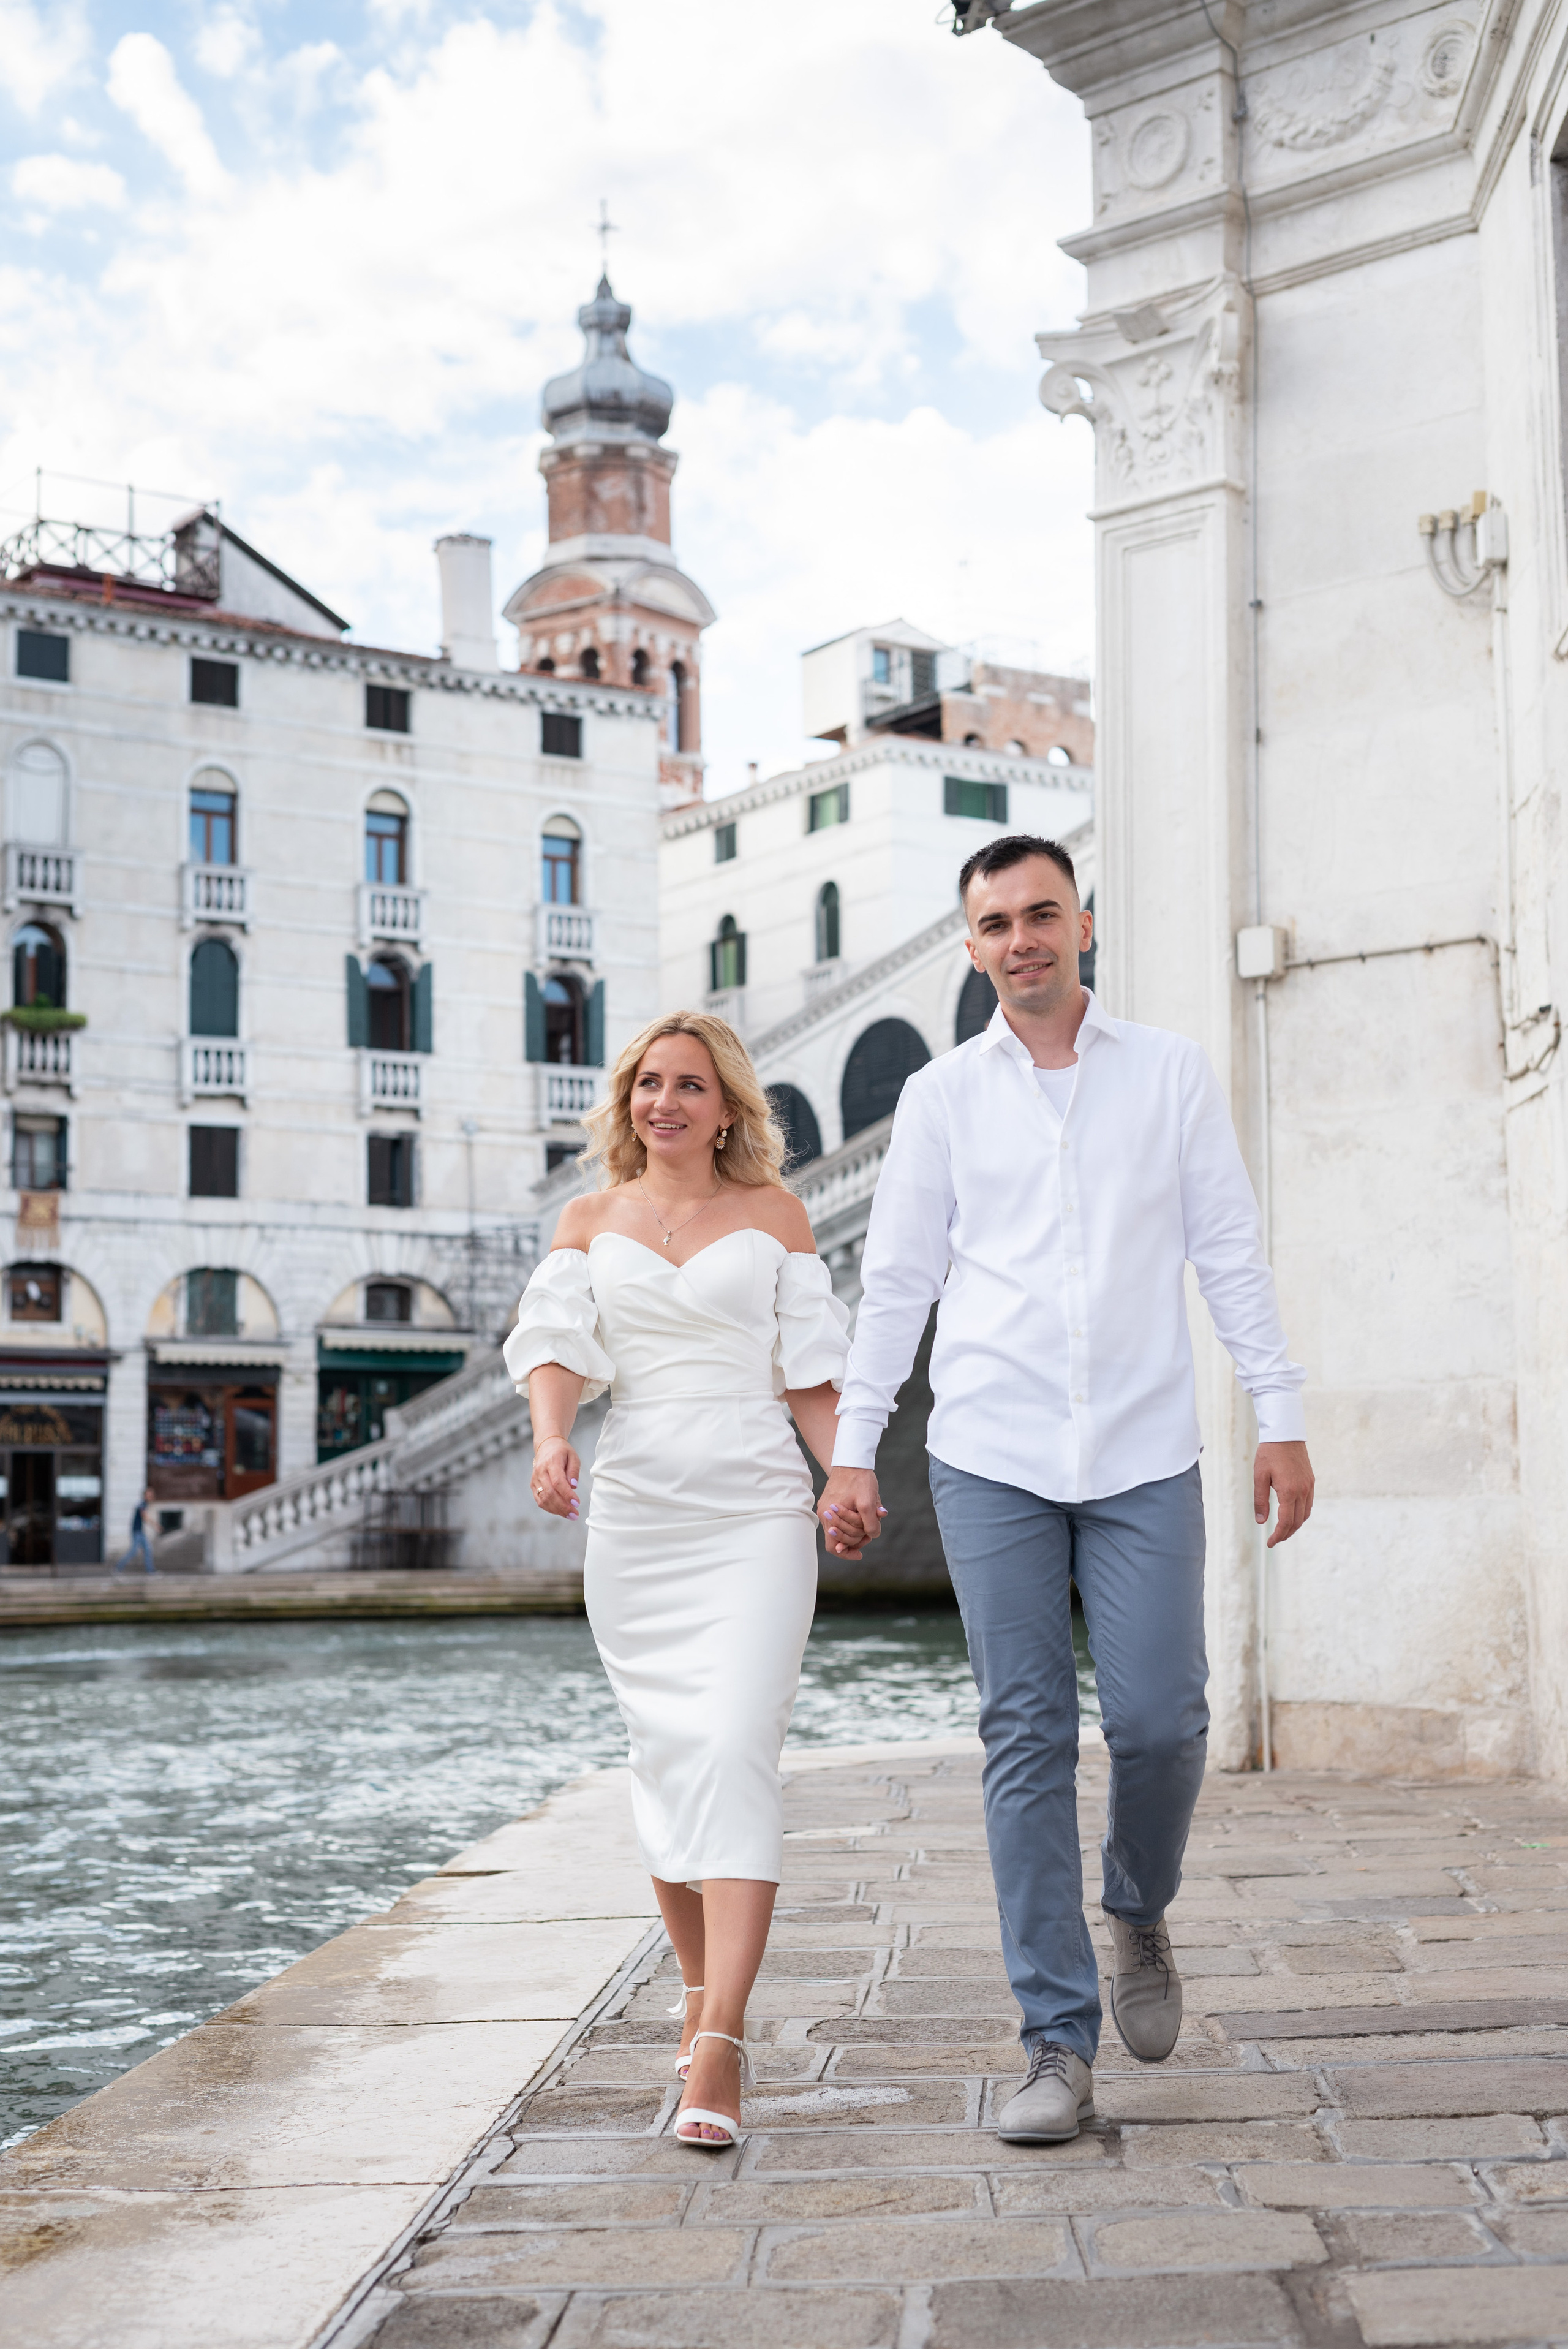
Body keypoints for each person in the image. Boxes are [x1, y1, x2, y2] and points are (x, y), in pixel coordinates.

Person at [817, 834, 1314, 2145]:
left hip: (1146, 1449)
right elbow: (898, 1288)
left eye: (1040, 914)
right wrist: (854, 1446)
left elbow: (1227, 1252)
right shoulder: (937, 1101)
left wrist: (1282, 1415)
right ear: (971, 946)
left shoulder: (1169, 1075)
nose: (1019, 939)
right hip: (988, 1456)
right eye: (993, 924)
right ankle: (1053, 2042)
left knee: (1160, 1723)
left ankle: (1135, 1907)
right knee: (1022, 1740)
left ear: (1080, 924)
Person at [504, 1012, 858, 2150]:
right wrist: (554, 1439)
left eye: (690, 1085)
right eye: (649, 1083)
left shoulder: (776, 1216)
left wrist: (845, 1471)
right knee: (663, 1756)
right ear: (630, 1101)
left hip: (756, 1507)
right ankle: (703, 1991)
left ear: (727, 1106)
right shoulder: (588, 1217)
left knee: (733, 1746)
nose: (666, 1101)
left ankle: (722, 2040)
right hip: (639, 1511)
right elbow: (555, 1339)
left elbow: (810, 1370)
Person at [113, 1487, 156, 1577]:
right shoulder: (142, 1504)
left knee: (148, 1550)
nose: (151, 1497)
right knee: (134, 1551)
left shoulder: (144, 1504)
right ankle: (118, 1567)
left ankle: (150, 1571)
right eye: (150, 1495)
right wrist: (156, 1525)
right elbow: (144, 1516)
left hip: (140, 1531)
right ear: (145, 1496)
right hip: (137, 1532)